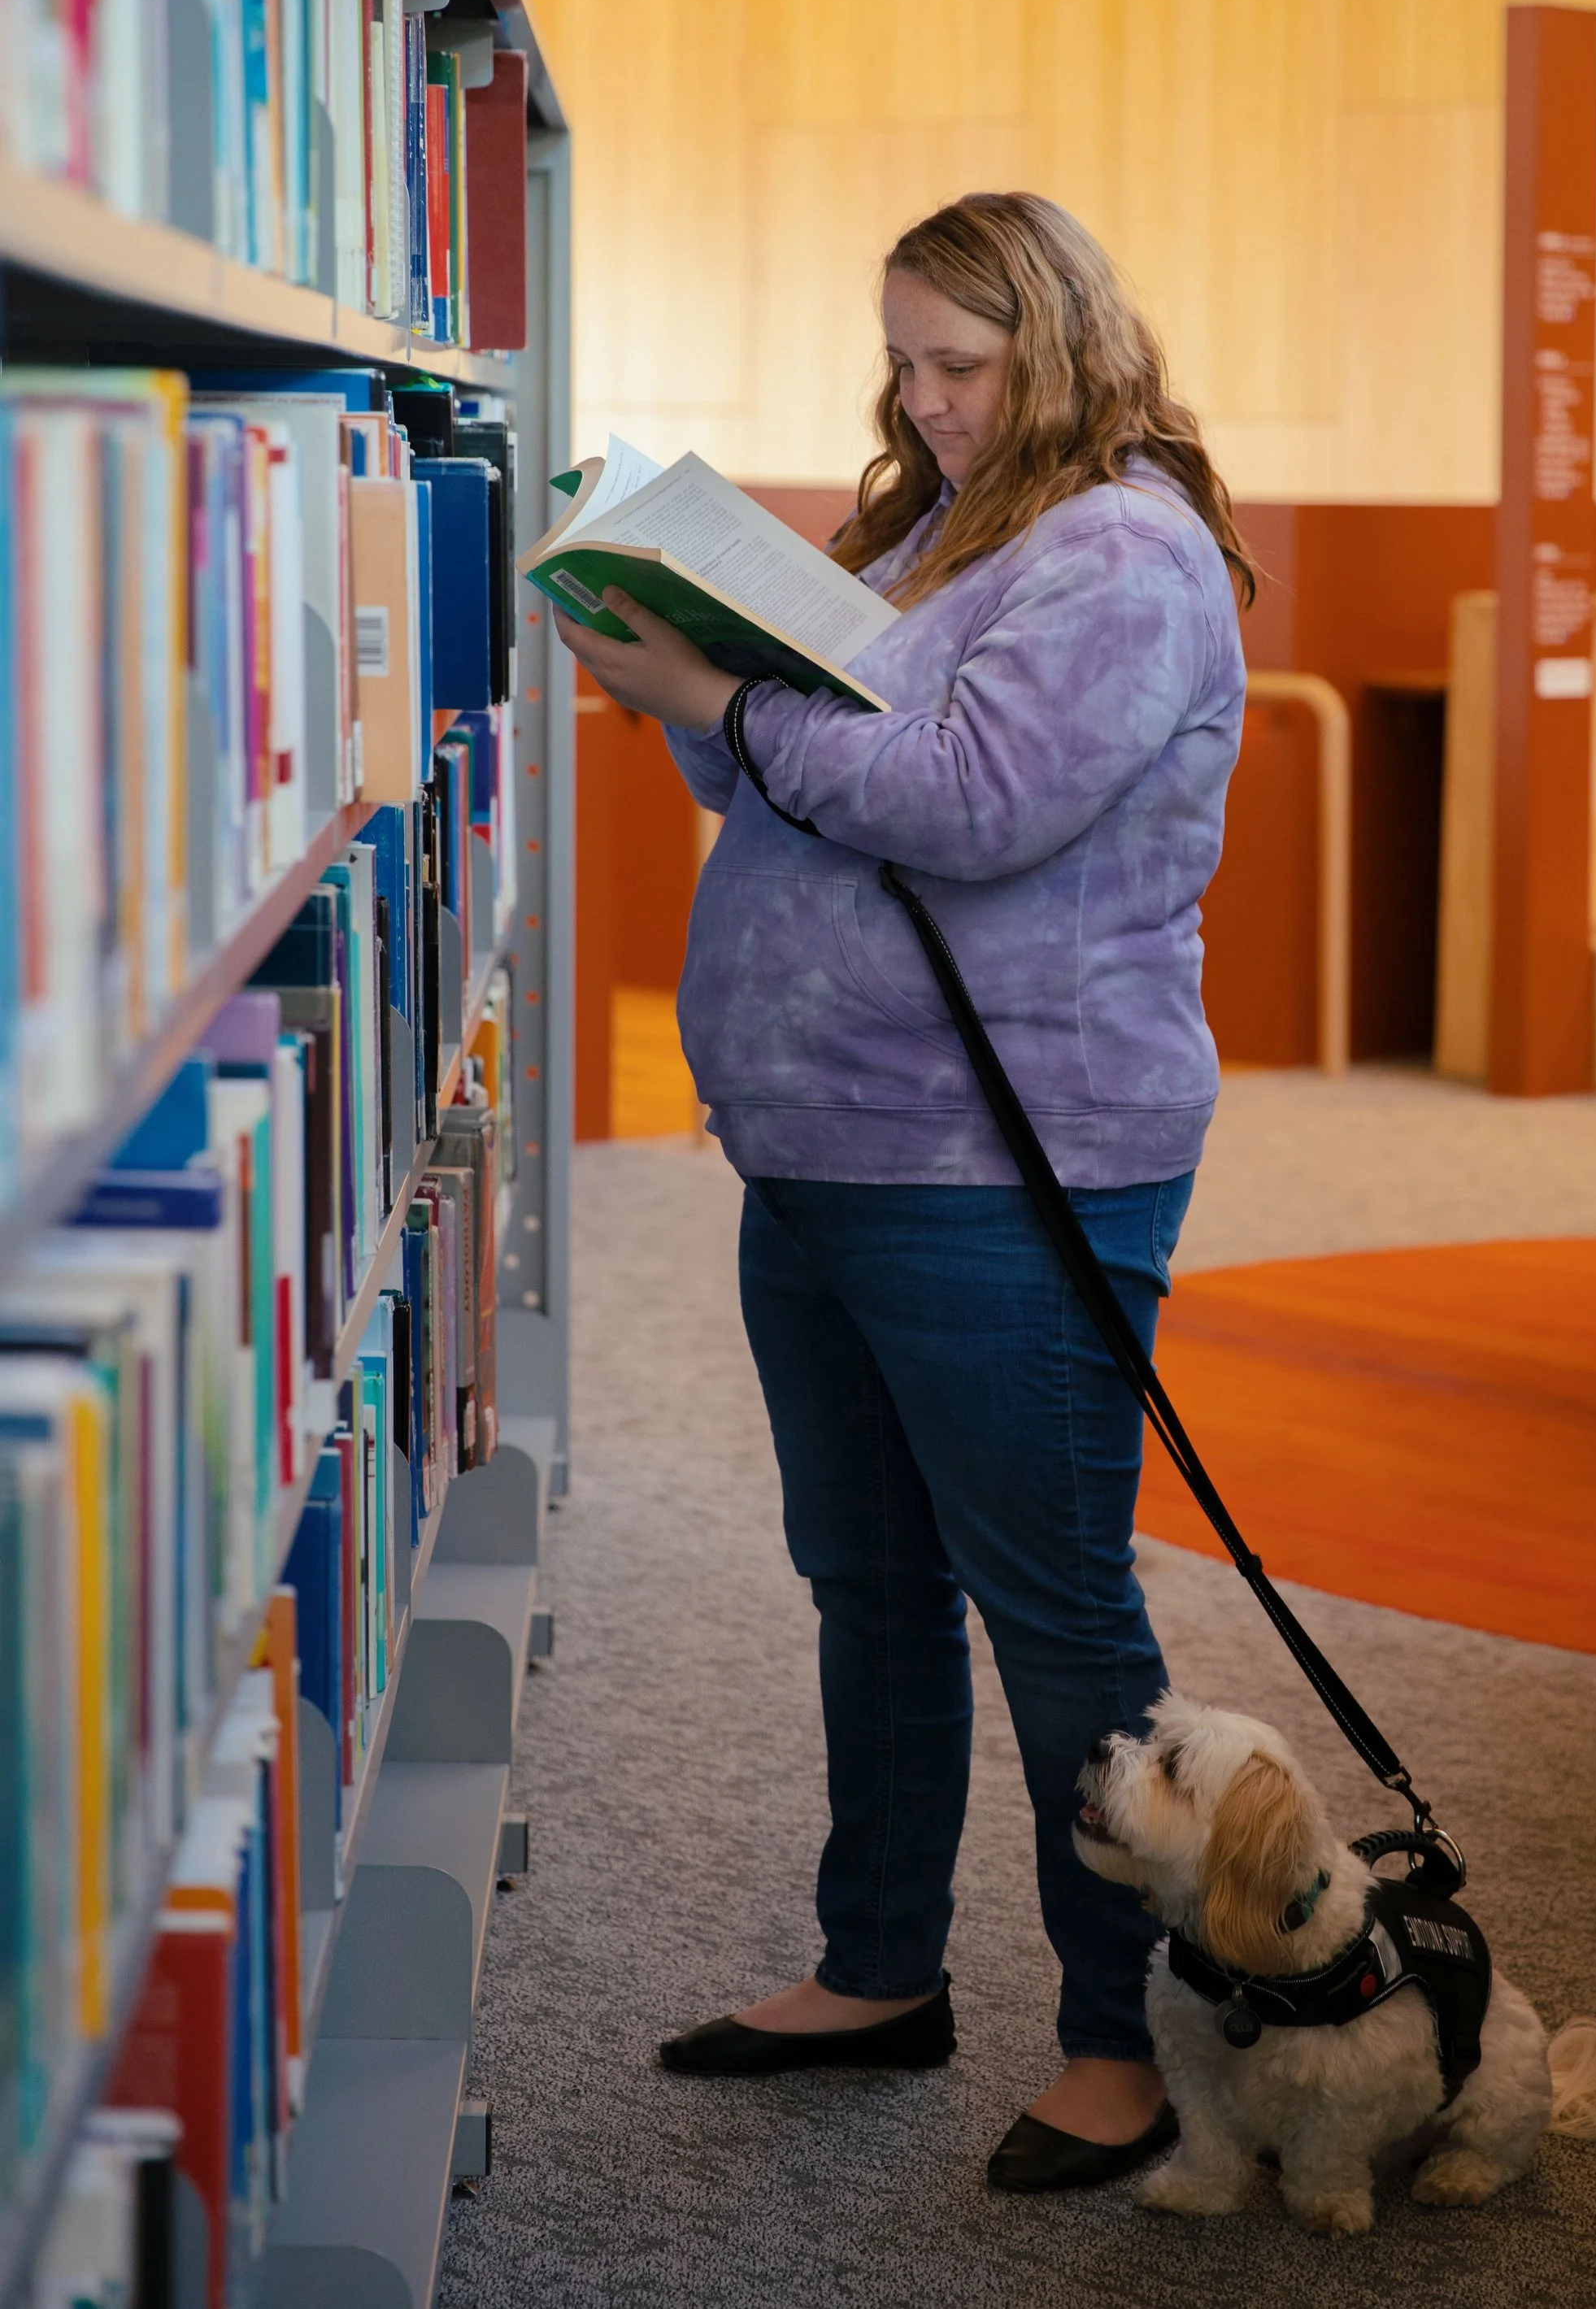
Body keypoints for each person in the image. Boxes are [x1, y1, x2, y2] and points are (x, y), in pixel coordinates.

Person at [552, 192, 1250, 2194]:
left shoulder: (1119, 549)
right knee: (865, 1584)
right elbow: (771, 772)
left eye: (968, 364)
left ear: (1067, 345)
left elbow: (967, 809)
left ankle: (1123, 2043)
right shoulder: (940, 524)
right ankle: (880, 1969)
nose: (930, 404)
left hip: (1004, 1163)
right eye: (907, 363)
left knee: (1053, 1617)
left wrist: (724, 707)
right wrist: (677, 679)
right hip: (824, 1142)